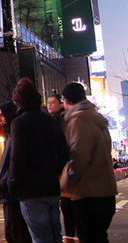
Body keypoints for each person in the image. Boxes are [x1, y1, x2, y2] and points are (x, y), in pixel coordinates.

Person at [7, 78, 70, 243]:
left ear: (18, 100)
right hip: (51, 187)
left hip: (30, 191)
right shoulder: (51, 121)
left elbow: (17, 157)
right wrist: (53, 172)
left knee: (41, 238)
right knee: (55, 236)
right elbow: (64, 153)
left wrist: (14, 185)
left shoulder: (19, 123)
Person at [60, 82, 118, 243]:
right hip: (105, 191)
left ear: (67, 100)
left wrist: (67, 181)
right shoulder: (96, 119)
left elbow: (79, 156)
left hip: (88, 193)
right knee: (98, 238)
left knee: (90, 238)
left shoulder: (79, 120)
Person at [0, 101, 33, 243]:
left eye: (1, 116)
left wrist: (8, 184)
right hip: (9, 194)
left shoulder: (15, 136)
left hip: (12, 195)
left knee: (16, 233)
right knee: (12, 233)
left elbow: (15, 164)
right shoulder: (10, 136)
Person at [47, 92, 75, 243]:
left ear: (61, 104)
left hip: (64, 170)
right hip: (62, 170)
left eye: (53, 102)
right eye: (48, 102)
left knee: (67, 206)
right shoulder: (55, 120)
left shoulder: (61, 121)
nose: (49, 104)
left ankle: (71, 237)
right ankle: (71, 237)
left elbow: (62, 148)